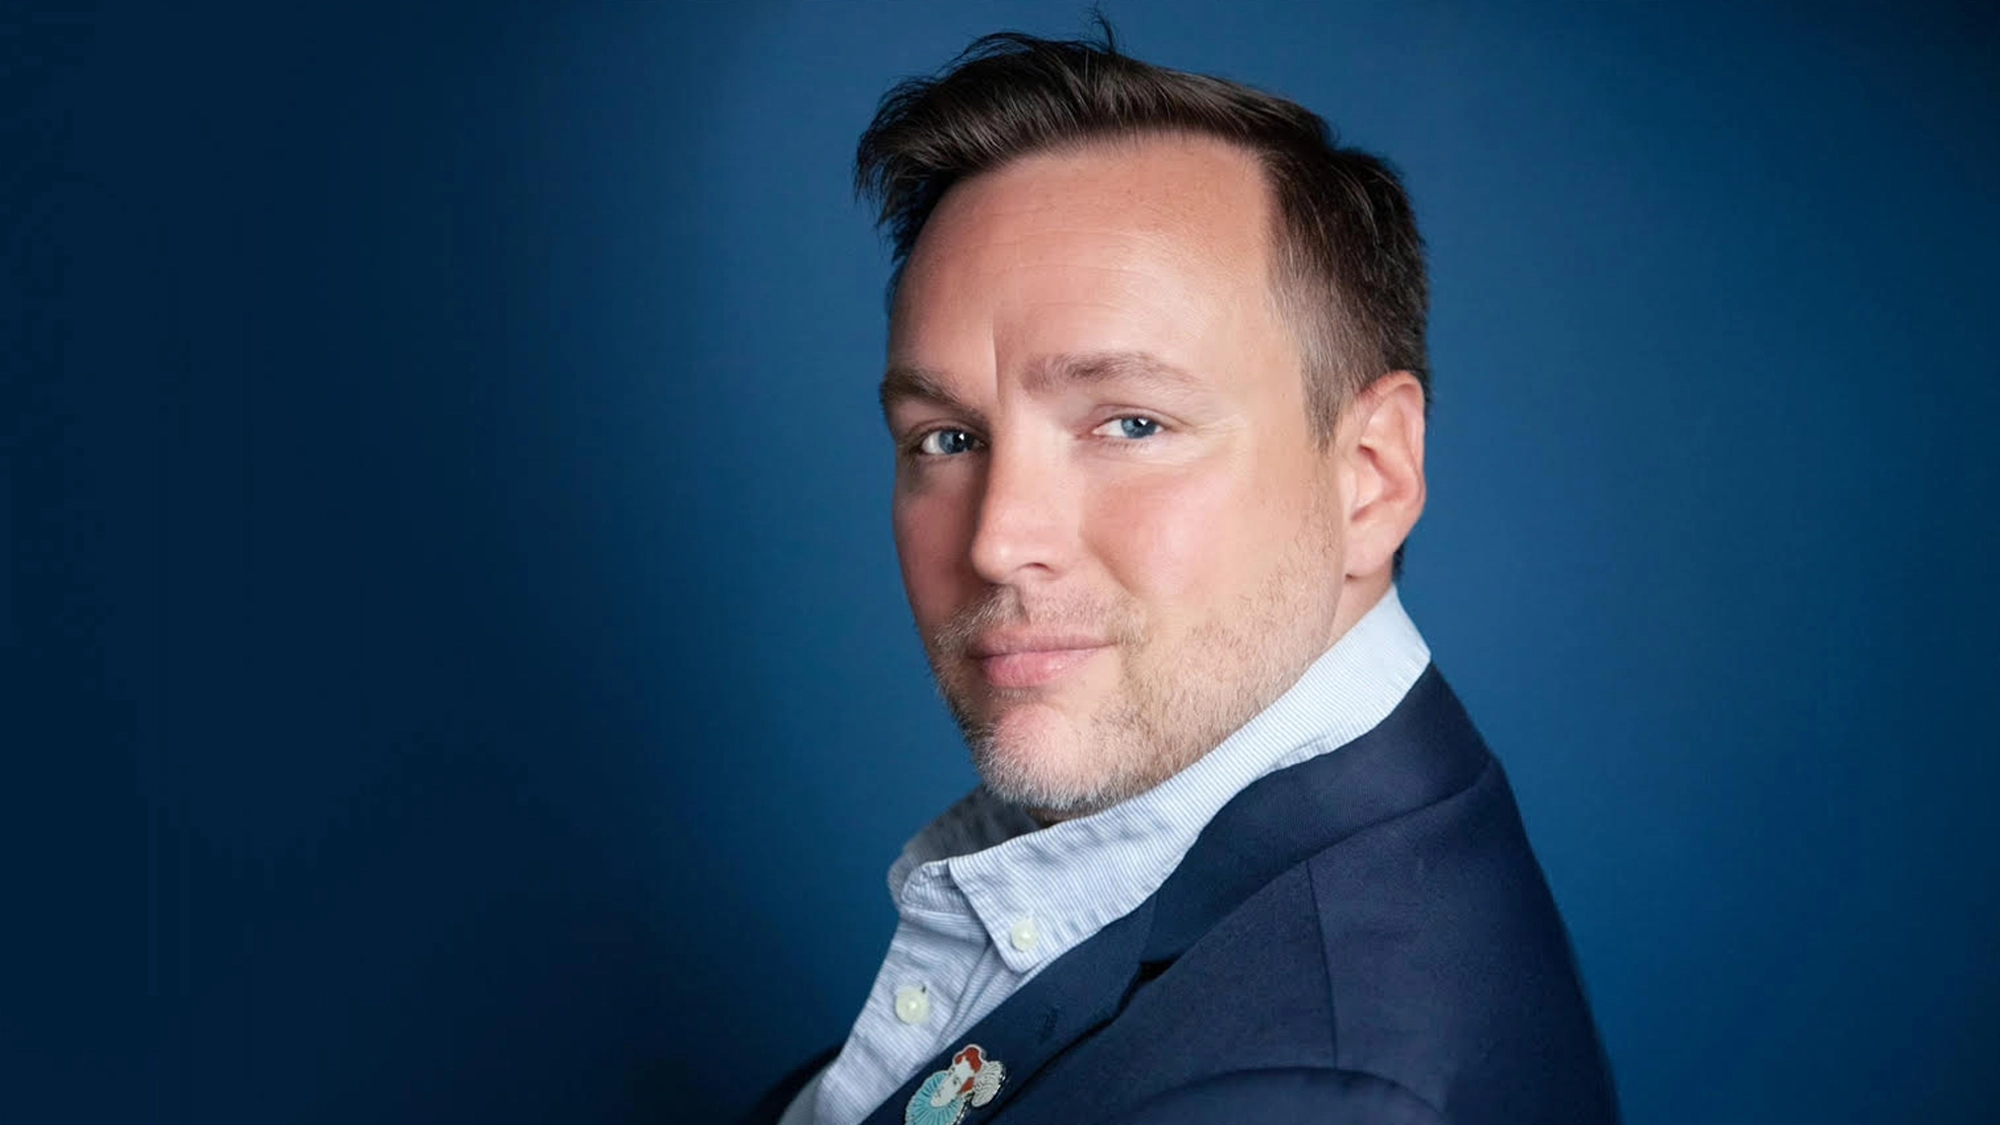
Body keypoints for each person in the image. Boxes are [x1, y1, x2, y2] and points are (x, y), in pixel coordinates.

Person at [746, 25, 1618, 1125]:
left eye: (1129, 422)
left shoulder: (1311, 1096)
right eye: (947, 440)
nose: (995, 541)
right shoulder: (1221, 880)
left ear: (1369, 475)